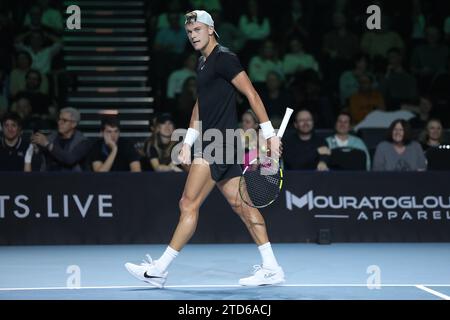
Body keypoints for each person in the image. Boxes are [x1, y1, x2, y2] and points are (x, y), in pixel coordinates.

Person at [125, 10, 285, 287]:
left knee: (188, 203)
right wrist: (187, 142)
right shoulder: (203, 63)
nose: (193, 36)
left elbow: (251, 94)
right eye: (189, 33)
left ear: (211, 30)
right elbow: (201, 106)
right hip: (215, 142)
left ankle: (160, 269)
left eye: (197, 30)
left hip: (219, 143)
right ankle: (272, 267)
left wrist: (269, 135)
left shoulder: (225, 58)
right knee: (241, 205)